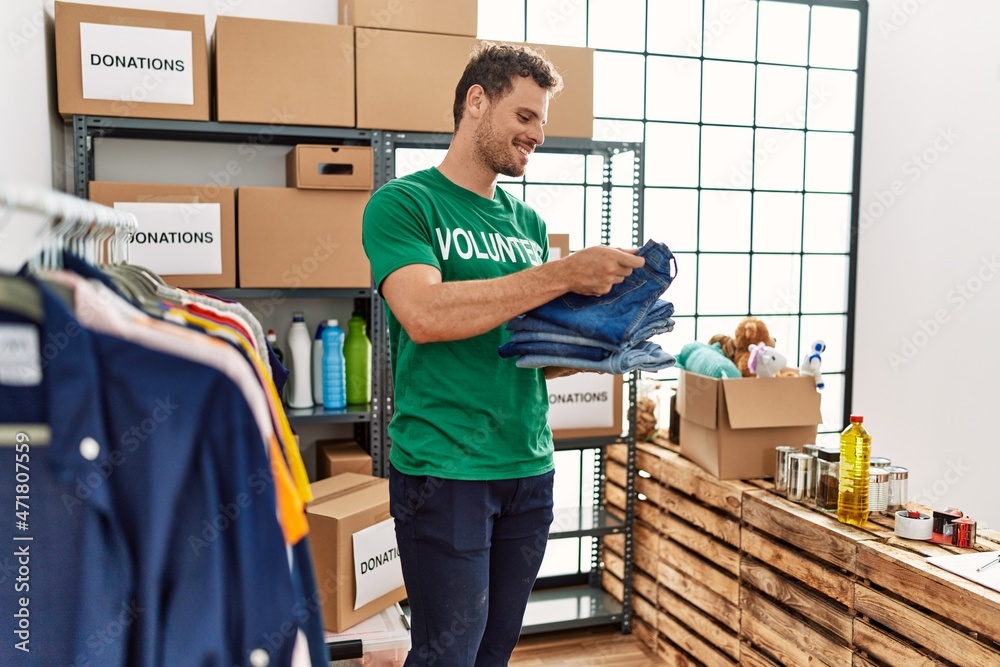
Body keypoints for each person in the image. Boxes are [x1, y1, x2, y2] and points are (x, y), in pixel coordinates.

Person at [361, 41, 645, 667]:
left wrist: (604, 342)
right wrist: (563, 275)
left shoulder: (527, 225)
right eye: (524, 116)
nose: (538, 134)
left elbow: (528, 352)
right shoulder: (405, 205)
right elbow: (426, 315)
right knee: (449, 652)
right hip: (445, 469)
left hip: (528, 465)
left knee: (494, 650)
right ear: (476, 102)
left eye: (542, 120)